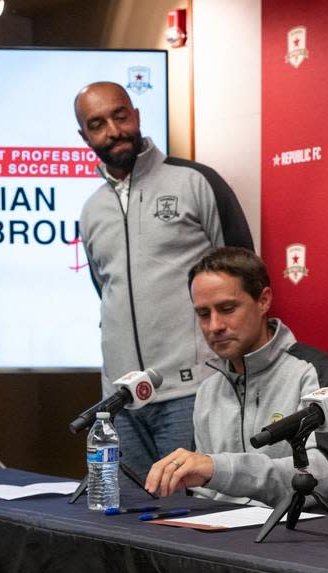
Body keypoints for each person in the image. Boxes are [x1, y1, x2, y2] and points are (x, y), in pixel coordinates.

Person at [75, 81, 254, 481]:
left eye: (120, 116)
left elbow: (244, 276)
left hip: (192, 393)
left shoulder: (195, 182)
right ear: (84, 136)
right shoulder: (91, 211)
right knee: (127, 525)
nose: (113, 130)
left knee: (193, 521)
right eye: (97, 123)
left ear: (136, 115)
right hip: (120, 403)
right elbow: (106, 292)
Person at [144, 247, 328, 508]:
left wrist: (219, 469)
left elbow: (327, 473)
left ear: (263, 301)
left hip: (295, 536)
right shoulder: (208, 389)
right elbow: (203, 495)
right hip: (217, 538)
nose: (214, 326)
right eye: (203, 314)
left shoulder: (312, 369)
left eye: (227, 308)